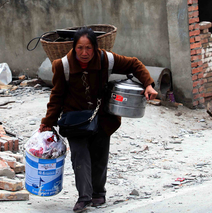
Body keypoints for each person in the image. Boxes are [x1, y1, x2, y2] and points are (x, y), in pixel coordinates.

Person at [40, 27, 158, 212]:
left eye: (88, 48)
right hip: (75, 119)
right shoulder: (62, 66)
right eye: (80, 48)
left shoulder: (106, 59)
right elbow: (57, 96)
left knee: (99, 156)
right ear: (74, 47)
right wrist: (48, 122)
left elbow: (134, 64)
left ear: (95, 48)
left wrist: (148, 85)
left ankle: (98, 193)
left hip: (102, 116)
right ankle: (84, 197)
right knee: (79, 156)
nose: (84, 53)